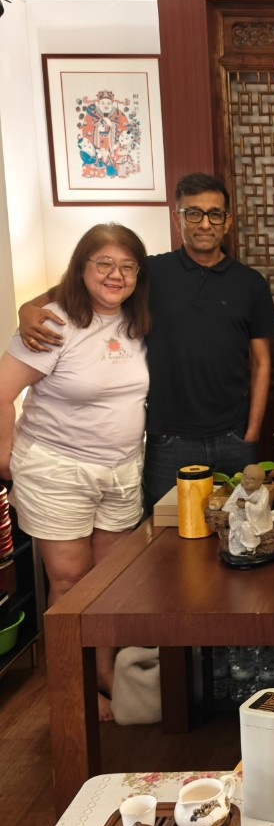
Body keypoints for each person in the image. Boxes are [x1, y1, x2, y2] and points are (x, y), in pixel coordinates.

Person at [19, 173, 274, 511]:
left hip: (234, 436)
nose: (205, 223)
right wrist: (29, 307)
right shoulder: (150, 273)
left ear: (227, 221)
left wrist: (252, 433)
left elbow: (261, 361)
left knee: (240, 527)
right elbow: (76, 288)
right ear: (177, 218)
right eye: (193, 213)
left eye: (215, 214)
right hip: (167, 438)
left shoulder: (251, 284)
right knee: (162, 533)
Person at [0, 224, 151, 720]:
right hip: (58, 471)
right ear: (81, 267)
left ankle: (103, 675)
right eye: (103, 263)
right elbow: (2, 392)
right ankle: (73, 690)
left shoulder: (136, 319)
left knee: (108, 584)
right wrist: (5, 457)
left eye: (126, 266)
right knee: (70, 582)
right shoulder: (51, 323)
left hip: (121, 470)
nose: (115, 274)